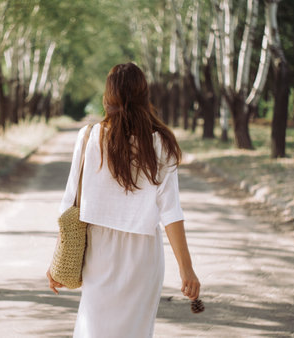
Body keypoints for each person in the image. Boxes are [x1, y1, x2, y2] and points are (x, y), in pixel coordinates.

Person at [46, 62, 200, 337]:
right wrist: (186, 269)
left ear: (108, 97)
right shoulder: (161, 143)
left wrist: (57, 261)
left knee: (93, 329)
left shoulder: (89, 137)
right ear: (144, 96)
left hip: (99, 253)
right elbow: (171, 212)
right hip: (143, 256)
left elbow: (69, 204)